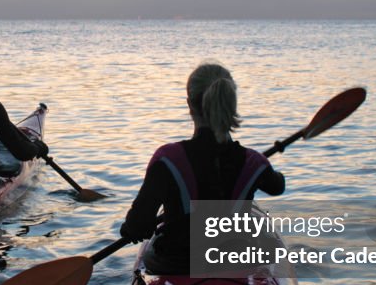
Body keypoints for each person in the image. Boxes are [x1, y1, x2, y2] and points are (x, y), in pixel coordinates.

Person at [120, 62, 285, 274]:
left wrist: (130, 230)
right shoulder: (254, 162)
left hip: (176, 264)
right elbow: (277, 186)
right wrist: (265, 168)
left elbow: (138, 225)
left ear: (189, 105)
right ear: (231, 104)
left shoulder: (167, 160)